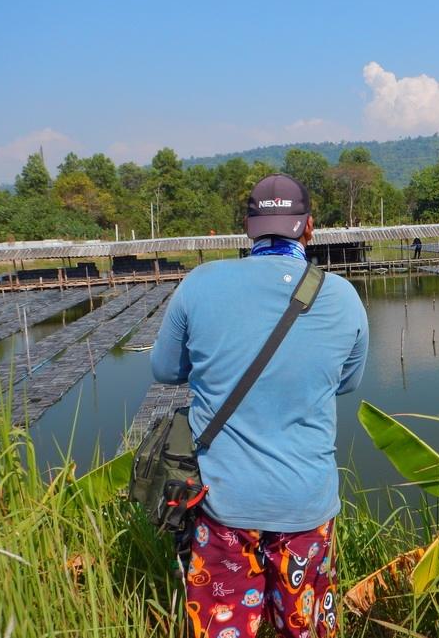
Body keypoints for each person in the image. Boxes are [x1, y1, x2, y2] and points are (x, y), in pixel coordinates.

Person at [151, 173, 369, 638]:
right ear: (309, 227)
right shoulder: (344, 298)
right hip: (307, 507)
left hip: (225, 506)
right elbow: (346, 382)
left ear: (249, 226)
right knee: (304, 629)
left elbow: (166, 370)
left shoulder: (199, 284)